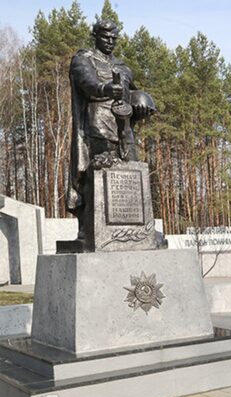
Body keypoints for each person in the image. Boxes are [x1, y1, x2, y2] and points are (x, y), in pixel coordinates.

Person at [67, 19, 155, 239]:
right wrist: (106, 88)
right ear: (95, 36)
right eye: (105, 37)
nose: (110, 42)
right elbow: (88, 84)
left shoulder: (122, 67)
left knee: (131, 171)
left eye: (113, 38)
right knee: (98, 171)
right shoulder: (83, 59)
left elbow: (133, 94)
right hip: (98, 123)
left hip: (124, 127)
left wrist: (145, 104)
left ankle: (139, 230)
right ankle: (90, 228)